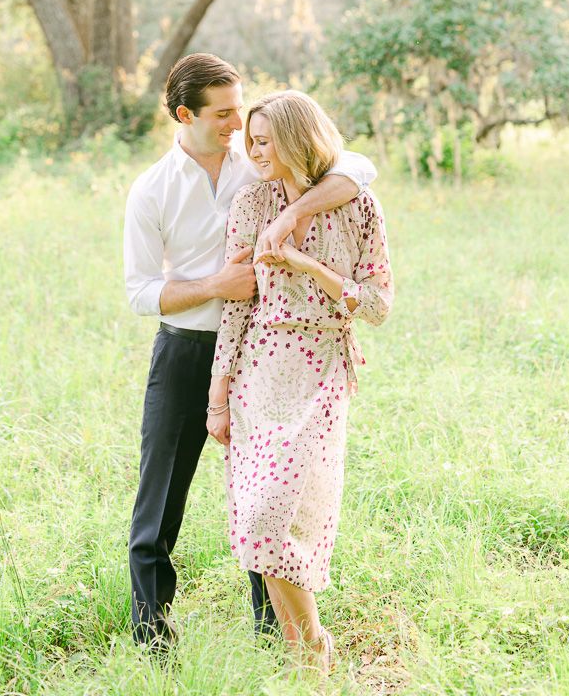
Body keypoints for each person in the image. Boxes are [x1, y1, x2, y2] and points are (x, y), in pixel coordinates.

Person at [124, 54, 377, 650]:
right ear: (185, 115)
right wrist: (217, 286)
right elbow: (139, 293)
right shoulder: (152, 191)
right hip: (186, 350)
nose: (236, 123)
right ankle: (151, 638)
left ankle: (274, 635)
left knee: (266, 494)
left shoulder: (260, 163)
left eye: (241, 109)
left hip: (267, 352)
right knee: (159, 498)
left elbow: (356, 168)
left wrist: (292, 211)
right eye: (224, 113)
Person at [207, 90, 394, 674]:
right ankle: (308, 648)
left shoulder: (359, 207)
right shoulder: (250, 204)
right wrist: (217, 392)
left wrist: (308, 266)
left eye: (263, 141)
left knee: (291, 516)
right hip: (260, 370)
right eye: (250, 141)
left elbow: (380, 306)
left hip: (322, 365)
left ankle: (310, 646)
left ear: (295, 139)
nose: (252, 151)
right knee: (259, 517)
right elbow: (237, 307)